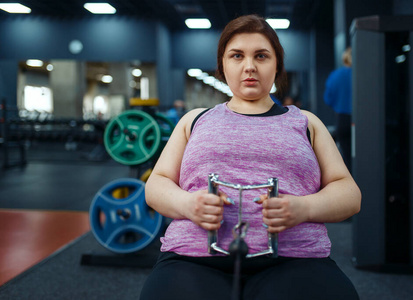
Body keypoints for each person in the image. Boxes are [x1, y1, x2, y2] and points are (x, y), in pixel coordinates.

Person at [140, 15, 361, 300]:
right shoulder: (195, 120)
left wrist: (304, 208)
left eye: (261, 56)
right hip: (194, 256)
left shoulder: (306, 122)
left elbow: (349, 194)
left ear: (277, 65)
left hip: (294, 258)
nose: (249, 67)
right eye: (236, 56)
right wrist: (188, 204)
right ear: (222, 64)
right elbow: (156, 184)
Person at [324, 47, 353, 172]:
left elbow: (328, 99)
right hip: (364, 120)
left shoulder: (335, 75)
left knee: (347, 159)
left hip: (343, 120)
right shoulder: (364, 74)